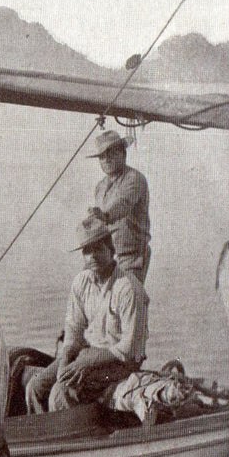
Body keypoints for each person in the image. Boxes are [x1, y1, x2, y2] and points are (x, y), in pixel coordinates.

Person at [26, 217, 148, 413]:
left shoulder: (128, 288)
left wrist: (86, 363)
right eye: (87, 251)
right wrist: (64, 363)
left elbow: (130, 348)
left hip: (119, 362)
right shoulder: (81, 282)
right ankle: (46, 435)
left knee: (61, 391)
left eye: (98, 248)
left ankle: (73, 438)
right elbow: (74, 330)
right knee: (35, 387)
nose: (92, 256)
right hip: (86, 355)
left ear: (112, 250)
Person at [86, 129, 151, 283]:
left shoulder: (134, 179)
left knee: (128, 296)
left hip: (132, 256)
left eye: (112, 153)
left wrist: (106, 216)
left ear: (123, 153)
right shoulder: (100, 187)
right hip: (107, 257)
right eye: (102, 157)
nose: (106, 159)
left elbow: (124, 203)